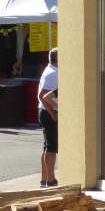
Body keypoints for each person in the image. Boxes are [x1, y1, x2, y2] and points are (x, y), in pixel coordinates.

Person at [38, 48, 59, 188]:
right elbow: (43, 95)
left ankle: (45, 178)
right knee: (51, 148)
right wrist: (53, 114)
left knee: (48, 146)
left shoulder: (50, 70)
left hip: (45, 111)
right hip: (48, 112)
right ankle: (50, 181)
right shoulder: (53, 73)